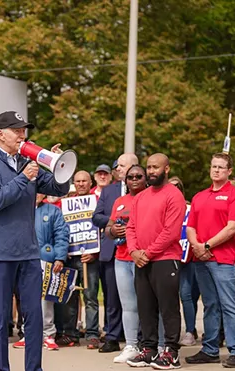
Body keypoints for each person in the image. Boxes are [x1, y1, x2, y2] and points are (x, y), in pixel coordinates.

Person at [0, 111, 69, 371]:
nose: (22, 135)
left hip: (27, 251)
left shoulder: (28, 162)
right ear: (0, 134)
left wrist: (57, 165)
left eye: (24, 129)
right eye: (16, 130)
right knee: (1, 319)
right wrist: (23, 177)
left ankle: (34, 368)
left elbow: (59, 188)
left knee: (34, 316)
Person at [185, 153, 235, 368]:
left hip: (224, 259)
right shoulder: (199, 196)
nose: (216, 170)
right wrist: (197, 246)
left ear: (229, 171)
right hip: (200, 258)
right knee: (210, 305)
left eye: (221, 167)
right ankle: (210, 349)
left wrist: (207, 245)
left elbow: (232, 227)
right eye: (213, 166)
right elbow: (190, 226)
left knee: (230, 305)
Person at [125, 153, 186, 369]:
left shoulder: (174, 195)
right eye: (149, 167)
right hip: (141, 260)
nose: (151, 171)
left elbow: (171, 232)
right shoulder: (141, 196)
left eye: (155, 167)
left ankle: (172, 352)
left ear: (166, 169)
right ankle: (149, 350)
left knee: (168, 308)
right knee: (145, 307)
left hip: (165, 259)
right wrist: (133, 251)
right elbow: (130, 226)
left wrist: (147, 253)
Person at [93, 153, 138, 353]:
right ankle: (112, 336)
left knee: (137, 297)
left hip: (137, 251)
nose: (117, 169)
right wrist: (114, 224)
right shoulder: (108, 191)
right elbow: (97, 216)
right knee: (112, 298)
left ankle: (139, 337)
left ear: (133, 167)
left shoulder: (143, 191)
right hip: (112, 250)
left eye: (121, 165)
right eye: (117, 166)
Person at [13, 193, 69, 351]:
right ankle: (28, 333)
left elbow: (61, 234)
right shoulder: (18, 210)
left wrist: (59, 257)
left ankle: (48, 335)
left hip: (46, 258)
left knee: (46, 299)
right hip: (23, 258)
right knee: (25, 298)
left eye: (39, 190)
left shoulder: (52, 211)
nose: (36, 193)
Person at [106, 164, 147, 363]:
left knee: (149, 305)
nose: (134, 179)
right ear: (125, 181)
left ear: (145, 178)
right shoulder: (120, 202)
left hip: (144, 258)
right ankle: (131, 345)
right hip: (122, 259)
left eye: (139, 176)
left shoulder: (151, 197)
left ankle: (152, 344)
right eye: (130, 177)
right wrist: (113, 231)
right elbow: (108, 228)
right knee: (128, 306)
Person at [62, 170, 101, 349]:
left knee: (91, 297)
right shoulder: (66, 204)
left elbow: (102, 232)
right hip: (71, 257)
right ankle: (71, 334)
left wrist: (94, 253)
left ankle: (92, 333)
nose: (81, 184)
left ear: (90, 182)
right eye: (77, 181)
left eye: (84, 181)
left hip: (90, 258)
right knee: (70, 296)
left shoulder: (97, 203)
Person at [169, 176, 201, 347]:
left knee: (187, 294)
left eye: (177, 187)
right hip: (168, 258)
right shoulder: (164, 208)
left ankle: (190, 331)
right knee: (169, 297)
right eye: (171, 186)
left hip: (188, 260)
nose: (174, 189)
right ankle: (173, 331)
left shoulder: (190, 209)